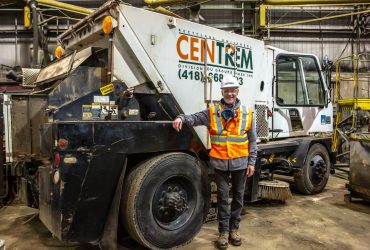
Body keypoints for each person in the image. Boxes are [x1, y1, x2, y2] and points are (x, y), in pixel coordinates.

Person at [172, 74, 257, 250]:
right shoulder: (212, 112)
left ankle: (235, 229)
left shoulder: (247, 113)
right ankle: (224, 232)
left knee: (239, 198)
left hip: (240, 163)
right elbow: (193, 118)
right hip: (220, 163)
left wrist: (252, 162)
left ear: (237, 91)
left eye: (233, 90)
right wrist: (181, 117)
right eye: (227, 90)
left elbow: (253, 140)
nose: (230, 94)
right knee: (223, 199)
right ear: (222, 92)